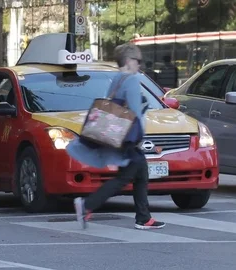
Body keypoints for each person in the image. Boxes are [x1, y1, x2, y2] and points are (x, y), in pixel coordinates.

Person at [67, 43, 165, 230]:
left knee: (141, 175)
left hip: (121, 134)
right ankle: (86, 205)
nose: (139, 65)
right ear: (128, 61)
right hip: (129, 137)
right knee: (124, 178)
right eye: (137, 61)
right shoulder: (131, 80)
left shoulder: (117, 78)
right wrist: (139, 137)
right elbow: (135, 111)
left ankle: (144, 218)